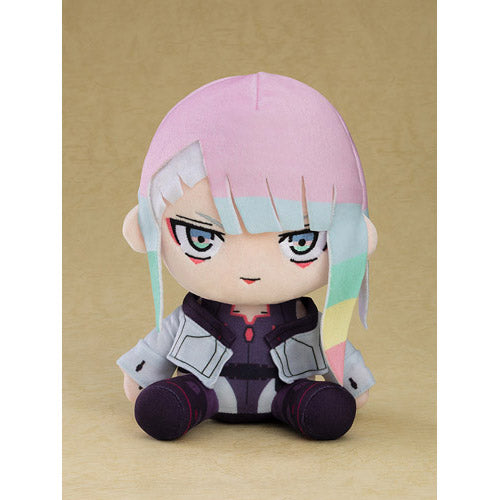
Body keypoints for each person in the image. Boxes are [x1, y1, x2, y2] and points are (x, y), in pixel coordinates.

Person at [117, 72, 378, 441]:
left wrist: (350, 380)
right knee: (169, 404)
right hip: (205, 388)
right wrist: (145, 374)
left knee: (325, 409)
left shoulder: (304, 320)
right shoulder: (195, 315)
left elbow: (331, 343)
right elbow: (161, 342)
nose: (251, 267)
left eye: (300, 241)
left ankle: (306, 405)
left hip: (286, 390)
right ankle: (182, 403)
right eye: (201, 238)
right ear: (144, 230)